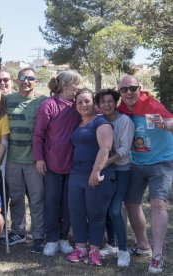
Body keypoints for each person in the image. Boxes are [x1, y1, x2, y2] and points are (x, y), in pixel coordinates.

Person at [117, 75, 173, 273]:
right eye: (124, 90)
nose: (129, 93)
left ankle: (157, 256)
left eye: (133, 88)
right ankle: (143, 246)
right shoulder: (122, 109)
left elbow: (172, 123)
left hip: (161, 161)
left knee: (158, 203)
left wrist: (165, 125)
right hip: (136, 163)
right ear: (120, 93)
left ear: (139, 88)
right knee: (131, 203)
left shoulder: (152, 105)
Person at [33, 70, 82, 256]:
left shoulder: (79, 105)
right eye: (74, 84)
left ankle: (63, 237)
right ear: (63, 85)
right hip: (52, 163)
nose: (77, 88)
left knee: (68, 203)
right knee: (52, 202)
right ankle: (51, 239)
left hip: (74, 164)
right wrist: (39, 159)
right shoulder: (49, 105)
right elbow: (38, 135)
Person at [66, 88, 115, 266]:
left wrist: (96, 171)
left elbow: (105, 148)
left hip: (96, 174)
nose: (83, 105)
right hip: (76, 174)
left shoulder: (101, 122)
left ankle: (95, 250)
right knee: (76, 212)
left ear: (93, 103)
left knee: (96, 214)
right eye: (79, 102)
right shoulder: (79, 123)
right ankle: (81, 249)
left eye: (86, 101)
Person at [4, 67, 47, 253]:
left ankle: (38, 235)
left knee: (37, 199)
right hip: (12, 158)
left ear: (36, 82)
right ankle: (18, 232)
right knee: (16, 198)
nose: (26, 81)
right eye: (22, 77)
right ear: (16, 80)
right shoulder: (7, 100)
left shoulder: (42, 101)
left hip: (34, 160)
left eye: (30, 78)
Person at [95, 89, 135, 267]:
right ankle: (111, 244)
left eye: (110, 101)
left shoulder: (124, 121)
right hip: (107, 170)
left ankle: (124, 251)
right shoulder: (99, 121)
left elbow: (126, 148)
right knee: (105, 208)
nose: (107, 105)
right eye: (103, 102)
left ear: (116, 102)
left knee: (116, 210)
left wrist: (107, 161)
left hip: (122, 170)